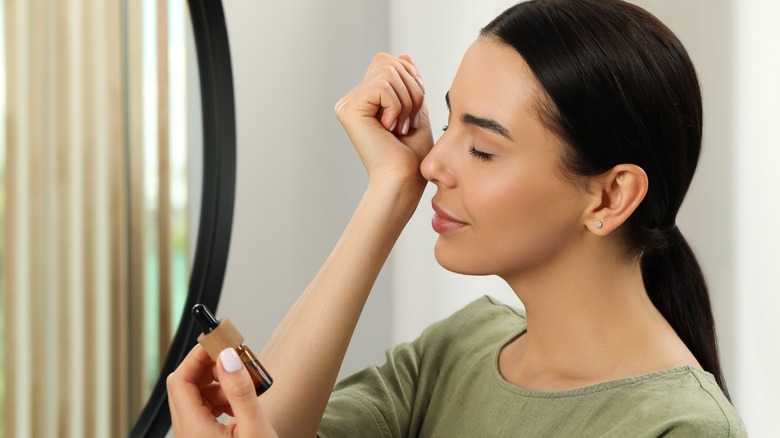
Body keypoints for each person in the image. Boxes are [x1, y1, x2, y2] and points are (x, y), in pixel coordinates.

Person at [166, 0, 747, 436]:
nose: (432, 163)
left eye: (483, 148)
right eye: (448, 124)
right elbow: (266, 428)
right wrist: (389, 191)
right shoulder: (459, 350)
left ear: (610, 197)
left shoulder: (677, 426)